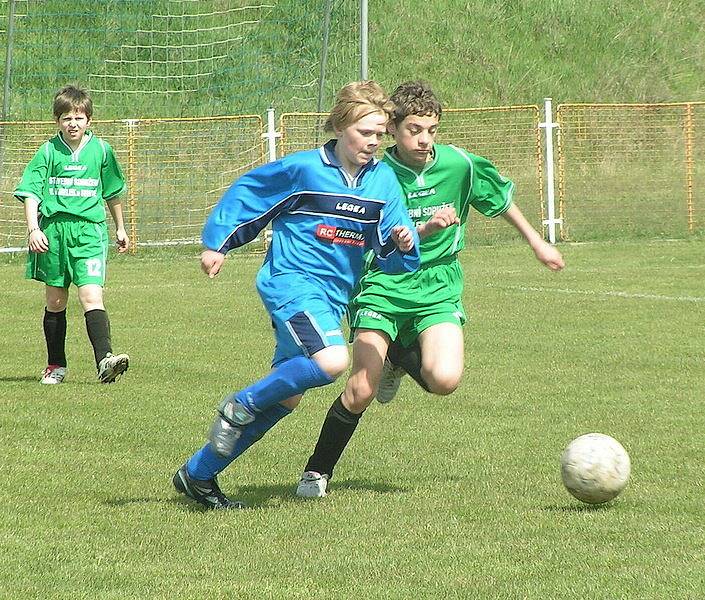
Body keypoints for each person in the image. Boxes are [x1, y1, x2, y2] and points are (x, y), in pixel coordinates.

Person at [296, 80, 565, 498]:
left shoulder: (459, 165)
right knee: (361, 389)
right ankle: (317, 472)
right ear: (393, 129)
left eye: (432, 130)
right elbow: (369, 238)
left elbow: (500, 199)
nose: (424, 140)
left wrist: (536, 241)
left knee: (444, 380)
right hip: (383, 281)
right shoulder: (372, 174)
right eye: (414, 130)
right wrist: (424, 227)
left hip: (438, 284)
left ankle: (398, 357)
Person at [172, 80, 421, 510]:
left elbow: (392, 258)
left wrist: (404, 243)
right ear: (342, 125)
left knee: (287, 396)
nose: (374, 142)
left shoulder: (383, 184)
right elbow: (252, 193)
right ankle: (240, 405)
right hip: (291, 283)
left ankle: (197, 474)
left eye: (380, 134)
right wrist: (218, 243)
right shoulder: (305, 170)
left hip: (332, 299)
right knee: (331, 360)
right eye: (366, 132)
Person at [15, 84, 130, 385]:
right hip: (54, 233)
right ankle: (56, 366)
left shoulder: (102, 151)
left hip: (90, 232)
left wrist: (120, 226)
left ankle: (105, 361)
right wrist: (33, 228)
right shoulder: (48, 151)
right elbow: (30, 192)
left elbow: (113, 192)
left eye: (78, 118)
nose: (73, 124)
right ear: (58, 121)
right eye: (66, 118)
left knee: (91, 295)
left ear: (89, 120)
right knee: (55, 301)